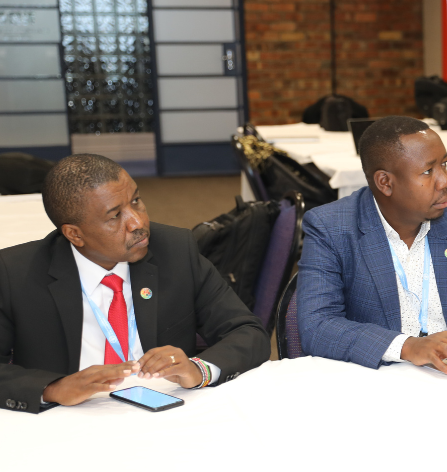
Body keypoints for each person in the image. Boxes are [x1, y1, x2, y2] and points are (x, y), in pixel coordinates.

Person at [0, 154, 271, 414]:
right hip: (67, 419)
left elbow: (248, 332)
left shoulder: (175, 250)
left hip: (166, 411)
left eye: (137, 200)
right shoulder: (16, 272)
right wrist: (53, 389)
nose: (138, 222)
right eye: (115, 216)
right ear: (75, 234)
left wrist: (197, 369)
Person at [298, 116, 447, 374]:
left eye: (444, 165)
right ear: (385, 182)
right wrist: (407, 346)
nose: (445, 181)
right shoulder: (332, 228)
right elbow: (316, 326)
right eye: (428, 171)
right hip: (377, 379)